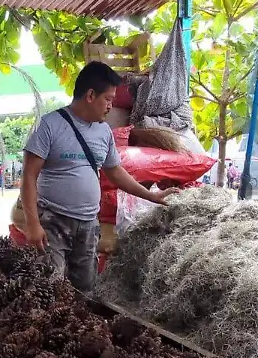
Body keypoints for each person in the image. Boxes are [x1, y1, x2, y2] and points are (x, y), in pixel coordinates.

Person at [21, 61, 174, 292]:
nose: (111, 106)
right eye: (108, 99)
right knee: (48, 289)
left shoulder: (104, 132)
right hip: (53, 222)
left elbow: (115, 172)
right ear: (91, 95)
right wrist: (32, 224)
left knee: (86, 290)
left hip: (88, 225)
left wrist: (151, 196)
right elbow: (28, 177)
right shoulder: (50, 125)